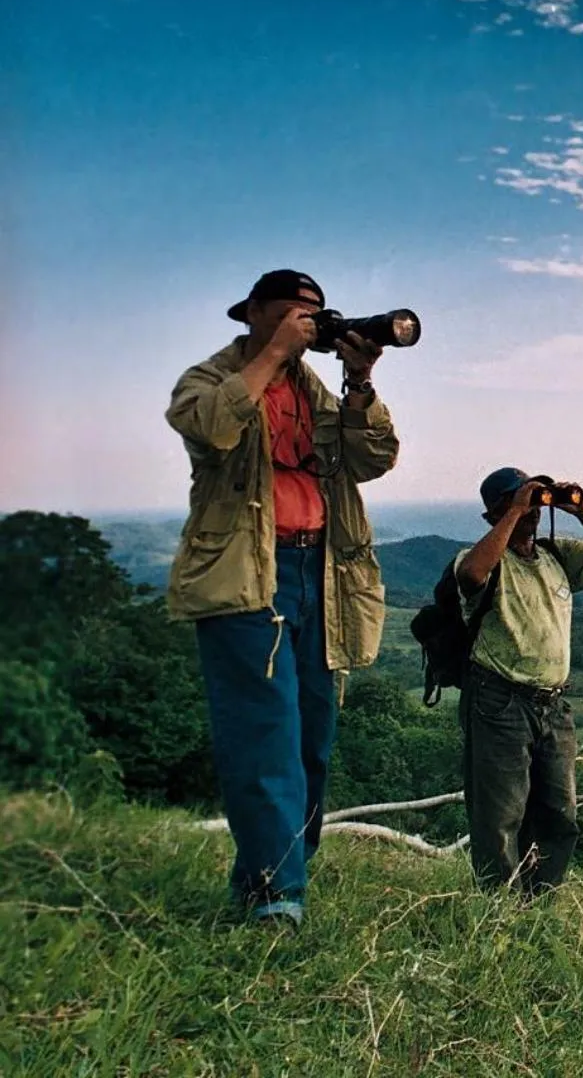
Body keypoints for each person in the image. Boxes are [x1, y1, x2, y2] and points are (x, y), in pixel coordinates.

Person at [166, 268, 399, 925]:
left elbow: (370, 460)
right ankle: (276, 893)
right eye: (293, 310)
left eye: (315, 312)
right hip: (247, 572)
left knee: (310, 738)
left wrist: (359, 382)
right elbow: (209, 428)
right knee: (263, 732)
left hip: (320, 574)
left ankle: (277, 873)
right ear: (255, 315)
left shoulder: (314, 389)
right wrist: (271, 356)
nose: (306, 320)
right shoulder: (212, 379)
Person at [455, 467, 583, 893]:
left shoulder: (554, 555)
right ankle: (496, 909)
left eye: (534, 500)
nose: (533, 509)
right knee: (501, 814)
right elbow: (471, 576)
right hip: (498, 699)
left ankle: (539, 901)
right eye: (520, 500)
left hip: (553, 704)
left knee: (558, 811)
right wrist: (514, 514)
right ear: (492, 513)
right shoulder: (479, 557)